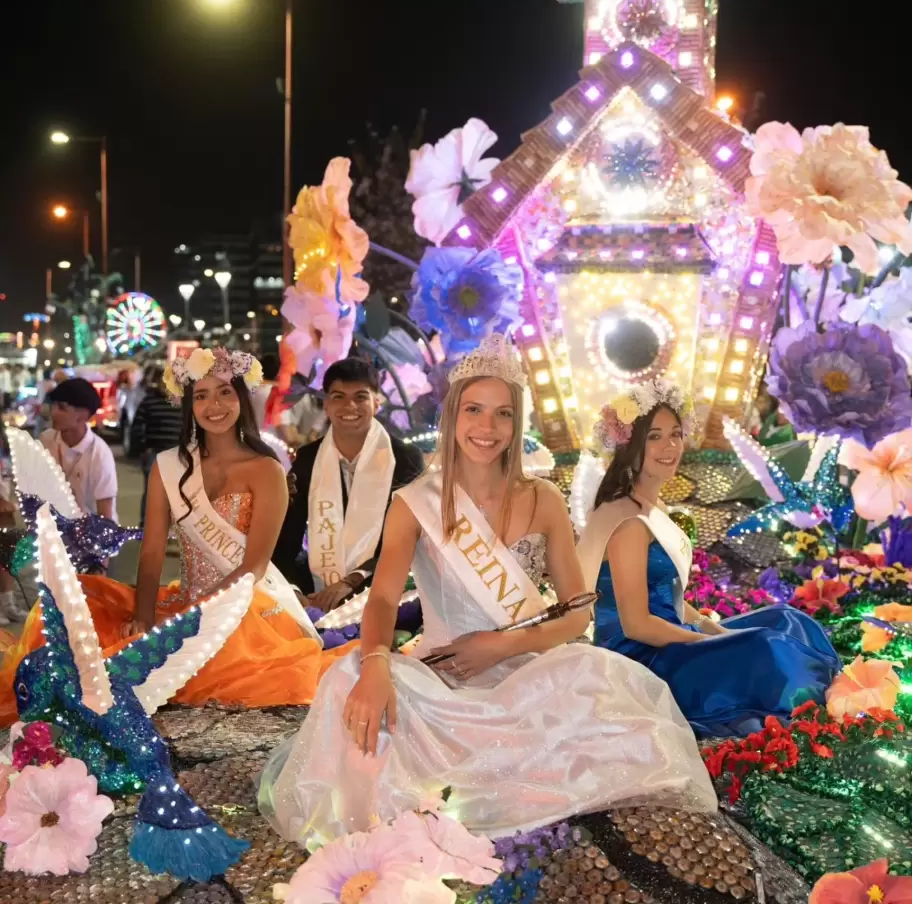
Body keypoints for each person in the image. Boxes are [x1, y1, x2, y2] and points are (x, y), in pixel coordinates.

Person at [258, 335, 715, 848]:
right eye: (474, 409)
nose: (487, 427)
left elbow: (576, 614)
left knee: (614, 685)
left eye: (502, 414)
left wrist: (502, 644)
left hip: (531, 671)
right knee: (346, 679)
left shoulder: (543, 499)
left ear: (517, 423)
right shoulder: (415, 502)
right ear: (454, 415)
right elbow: (384, 599)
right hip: (445, 675)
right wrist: (377, 666)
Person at [0, 348, 355, 726]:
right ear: (188, 405)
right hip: (182, 601)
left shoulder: (267, 470)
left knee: (203, 669)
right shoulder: (169, 466)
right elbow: (152, 552)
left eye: (224, 393)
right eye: (201, 396)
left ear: (242, 399)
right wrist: (144, 616)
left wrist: (196, 618)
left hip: (243, 610)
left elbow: (253, 567)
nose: (213, 405)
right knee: (73, 613)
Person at [576, 380, 841, 739]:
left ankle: (836, 699)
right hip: (642, 660)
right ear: (629, 446)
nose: (669, 446)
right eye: (654, 437)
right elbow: (637, 625)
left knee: (787, 619)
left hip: (671, 639)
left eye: (674, 434)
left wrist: (707, 625)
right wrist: (704, 641)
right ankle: (819, 720)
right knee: (764, 647)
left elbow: (667, 598)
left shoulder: (656, 508)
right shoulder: (627, 521)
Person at [272, 357, 424, 612]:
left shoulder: (406, 459)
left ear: (377, 402)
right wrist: (293, 590)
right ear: (327, 405)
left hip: (386, 590)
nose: (349, 406)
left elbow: (412, 540)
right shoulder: (309, 457)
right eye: (338, 396)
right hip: (318, 592)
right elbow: (288, 536)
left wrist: (352, 581)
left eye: (360, 397)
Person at [39, 377, 118, 521]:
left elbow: (105, 515)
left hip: (91, 535)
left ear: (82, 415)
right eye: (54, 405)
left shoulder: (99, 454)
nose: (54, 412)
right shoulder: (46, 440)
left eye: (62, 408)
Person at [130, 366, 182, 523]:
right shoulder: (150, 401)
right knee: (153, 492)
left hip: (179, 455)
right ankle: (146, 527)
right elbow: (137, 426)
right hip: (155, 454)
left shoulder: (186, 403)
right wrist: (144, 448)